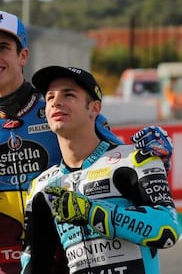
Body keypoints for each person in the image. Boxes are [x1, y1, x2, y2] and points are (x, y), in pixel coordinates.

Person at [0, 9, 174, 274]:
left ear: (23, 56)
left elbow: (123, 167)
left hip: (68, 259)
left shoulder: (61, 108)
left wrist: (159, 159)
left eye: (3, 47)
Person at [21, 66, 181, 274]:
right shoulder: (40, 187)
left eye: (68, 95)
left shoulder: (134, 158)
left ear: (94, 108)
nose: (56, 102)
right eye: (50, 97)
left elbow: (167, 229)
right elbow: (35, 265)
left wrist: (92, 212)